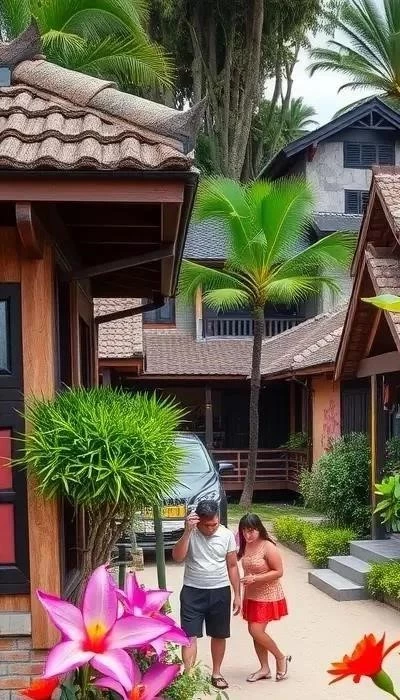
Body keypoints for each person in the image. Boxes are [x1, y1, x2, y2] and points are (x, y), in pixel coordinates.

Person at [172, 500, 241, 691]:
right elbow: (177, 557)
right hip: (192, 591)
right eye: (206, 525)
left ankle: (216, 673)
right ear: (197, 520)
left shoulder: (226, 535)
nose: (211, 528)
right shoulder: (191, 533)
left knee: (219, 634)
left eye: (214, 524)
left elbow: (232, 565)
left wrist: (237, 594)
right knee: (189, 635)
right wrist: (187, 532)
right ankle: (189, 675)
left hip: (220, 591)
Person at [238, 512, 290, 683]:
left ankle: (280, 657)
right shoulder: (245, 544)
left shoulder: (268, 546)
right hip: (251, 595)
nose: (247, 535)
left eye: (251, 531)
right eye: (244, 531)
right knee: (255, 633)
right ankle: (264, 668)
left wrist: (255, 578)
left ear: (259, 529)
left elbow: (279, 572)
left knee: (256, 630)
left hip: (268, 595)